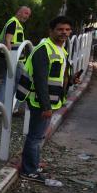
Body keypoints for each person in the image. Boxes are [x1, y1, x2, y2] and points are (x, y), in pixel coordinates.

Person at [18, 16, 80, 184]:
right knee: (35, 137)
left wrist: (72, 79)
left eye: (67, 30)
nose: (64, 33)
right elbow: (40, 80)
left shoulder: (60, 48)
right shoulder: (43, 49)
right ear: (51, 31)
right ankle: (29, 170)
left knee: (38, 136)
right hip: (41, 101)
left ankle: (33, 164)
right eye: (60, 29)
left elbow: (57, 74)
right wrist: (46, 106)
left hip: (50, 100)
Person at [0, 6, 32, 115]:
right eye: (25, 13)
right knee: (23, 80)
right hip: (13, 58)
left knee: (8, 81)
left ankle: (2, 108)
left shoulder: (14, 23)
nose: (27, 16)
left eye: (28, 15)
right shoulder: (13, 23)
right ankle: (11, 108)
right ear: (19, 12)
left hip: (12, 57)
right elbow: (8, 41)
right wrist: (10, 58)